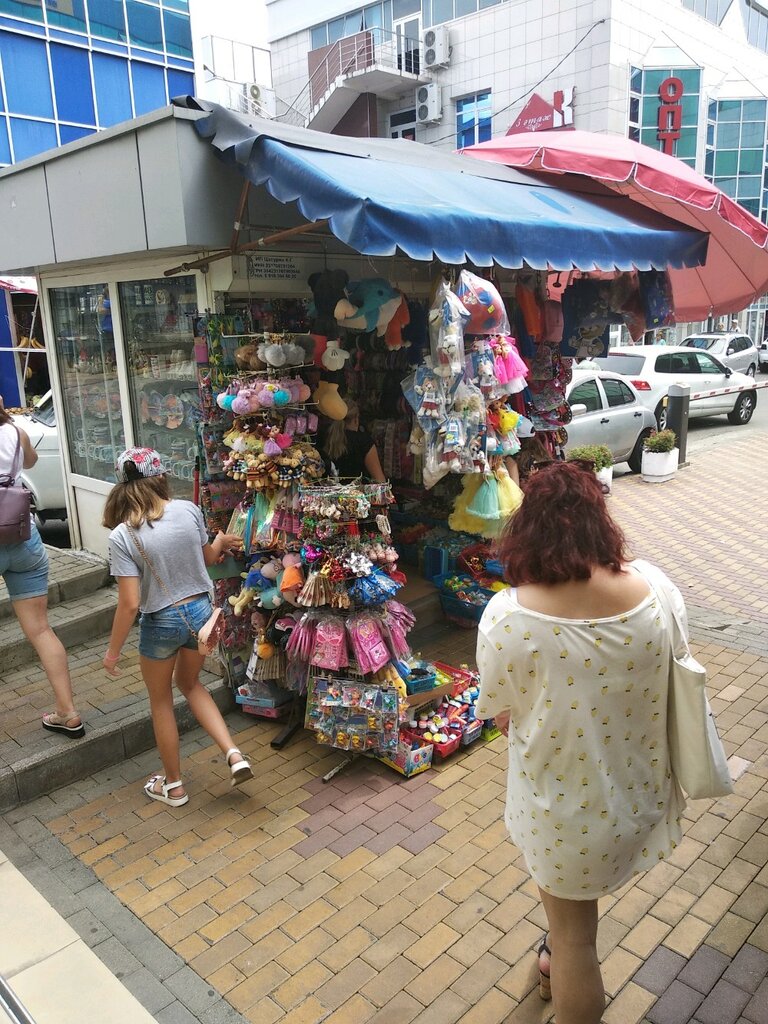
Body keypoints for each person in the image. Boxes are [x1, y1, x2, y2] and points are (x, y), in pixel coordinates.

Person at [475, 460, 686, 1024]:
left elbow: (498, 712)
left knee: (577, 942)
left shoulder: (507, 617)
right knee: (569, 927)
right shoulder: (656, 590)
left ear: (527, 528)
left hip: (560, 809)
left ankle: (558, 961)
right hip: (634, 797)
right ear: (600, 521)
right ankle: (550, 958)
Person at [102, 447, 252, 807]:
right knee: (191, 684)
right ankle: (233, 753)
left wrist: (112, 651)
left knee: (161, 701)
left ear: (123, 488)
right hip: (201, 615)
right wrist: (218, 543)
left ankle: (173, 786)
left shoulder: (123, 536)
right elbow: (208, 559)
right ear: (162, 478)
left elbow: (130, 603)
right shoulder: (187, 509)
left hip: (161, 623)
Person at [0, 397, 83, 737]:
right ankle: (68, 711)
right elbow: (30, 461)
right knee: (41, 630)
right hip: (23, 537)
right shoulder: (14, 431)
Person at [318, 398, 386, 481]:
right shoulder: (364, 441)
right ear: (356, 420)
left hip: (325, 492)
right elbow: (379, 479)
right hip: (356, 492)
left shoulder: (324, 437)